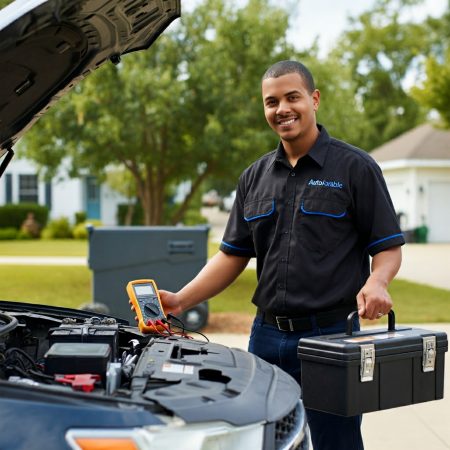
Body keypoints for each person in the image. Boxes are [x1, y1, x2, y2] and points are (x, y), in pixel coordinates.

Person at [160, 60, 404, 450]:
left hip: (332, 336)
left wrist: (378, 280)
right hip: (266, 337)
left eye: (293, 97)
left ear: (315, 99)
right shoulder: (253, 177)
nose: (282, 109)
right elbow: (231, 255)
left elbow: (388, 245)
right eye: (271, 102)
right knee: (263, 439)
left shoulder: (355, 167)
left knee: (333, 442)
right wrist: (179, 300)